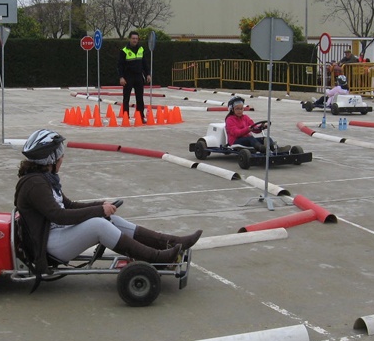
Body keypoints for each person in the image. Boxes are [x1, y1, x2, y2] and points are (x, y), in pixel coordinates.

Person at [14, 129, 202, 275]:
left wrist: (101, 205)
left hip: (56, 236)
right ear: (50, 158)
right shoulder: (35, 184)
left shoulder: (43, 178)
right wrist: (99, 211)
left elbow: (68, 205)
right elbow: (60, 216)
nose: (63, 157)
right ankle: (158, 258)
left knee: (112, 221)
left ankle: (169, 243)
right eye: (60, 154)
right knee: (99, 225)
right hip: (49, 244)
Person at [225, 96, 290, 153]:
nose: (240, 111)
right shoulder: (230, 120)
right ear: (232, 109)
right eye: (237, 109)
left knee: (266, 138)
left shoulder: (245, 117)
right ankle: (262, 149)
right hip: (235, 141)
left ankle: (276, 150)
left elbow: (254, 128)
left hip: (248, 139)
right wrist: (248, 129)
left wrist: (262, 127)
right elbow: (236, 133)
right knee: (250, 138)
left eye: (241, 108)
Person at [117, 31, 151, 123]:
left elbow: (145, 63)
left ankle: (140, 117)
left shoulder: (141, 49)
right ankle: (125, 117)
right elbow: (120, 65)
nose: (135, 40)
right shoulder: (124, 51)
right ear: (130, 39)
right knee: (126, 98)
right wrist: (121, 77)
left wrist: (148, 74)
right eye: (133, 38)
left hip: (139, 77)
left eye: (136, 38)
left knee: (140, 98)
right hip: (128, 77)